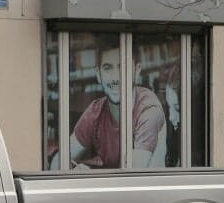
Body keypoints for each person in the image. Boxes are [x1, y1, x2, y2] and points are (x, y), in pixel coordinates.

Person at [70, 39, 167, 169]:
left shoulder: (149, 109)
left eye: (123, 67)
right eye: (108, 68)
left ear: (137, 70)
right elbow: (59, 159)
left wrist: (90, 175)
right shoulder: (95, 111)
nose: (116, 78)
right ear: (98, 74)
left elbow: (132, 177)